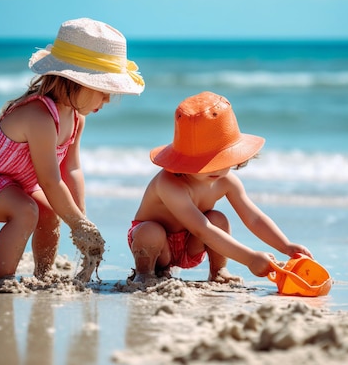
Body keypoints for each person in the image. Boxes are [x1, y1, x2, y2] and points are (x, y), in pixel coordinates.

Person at [0, 18, 144, 287]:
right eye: (103, 91)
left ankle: (43, 274)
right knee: (26, 211)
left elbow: (70, 170)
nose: (107, 100)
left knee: (48, 211)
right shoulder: (39, 117)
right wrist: (76, 223)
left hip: (10, 183)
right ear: (73, 81)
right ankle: (3, 281)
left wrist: (80, 218)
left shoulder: (77, 119)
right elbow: (49, 180)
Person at [128, 91, 311, 283]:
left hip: (191, 245)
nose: (216, 168)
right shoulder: (169, 184)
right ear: (184, 160)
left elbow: (254, 218)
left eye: (222, 159)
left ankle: (218, 271)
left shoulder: (226, 182)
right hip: (156, 246)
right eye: (206, 161)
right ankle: (145, 273)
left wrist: (286, 246)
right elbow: (201, 228)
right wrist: (249, 259)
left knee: (218, 219)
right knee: (150, 231)